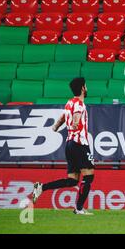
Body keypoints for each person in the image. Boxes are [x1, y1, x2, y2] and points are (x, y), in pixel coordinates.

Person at [32, 77, 95, 215]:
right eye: (86, 86)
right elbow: (77, 118)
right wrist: (75, 124)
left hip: (69, 144)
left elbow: (61, 119)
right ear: (83, 88)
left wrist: (55, 127)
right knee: (89, 176)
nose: (87, 88)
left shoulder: (69, 103)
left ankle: (42, 187)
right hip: (79, 143)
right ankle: (78, 209)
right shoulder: (79, 104)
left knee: (72, 180)